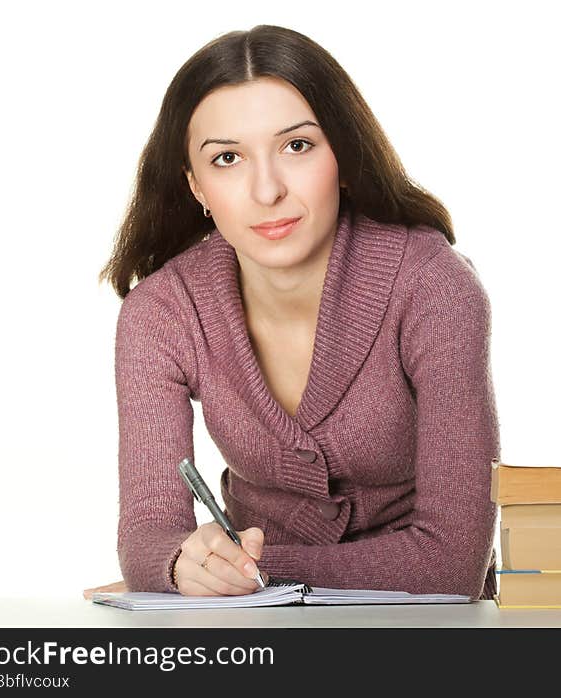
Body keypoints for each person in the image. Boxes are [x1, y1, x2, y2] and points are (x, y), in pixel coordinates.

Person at [89, 25, 500, 600]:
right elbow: (148, 537)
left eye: (297, 146)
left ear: (344, 157)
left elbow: (450, 564)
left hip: (421, 628)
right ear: (197, 187)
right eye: (227, 158)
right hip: (253, 629)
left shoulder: (433, 288)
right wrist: (180, 563)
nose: (266, 190)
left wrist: (244, 571)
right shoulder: (162, 311)